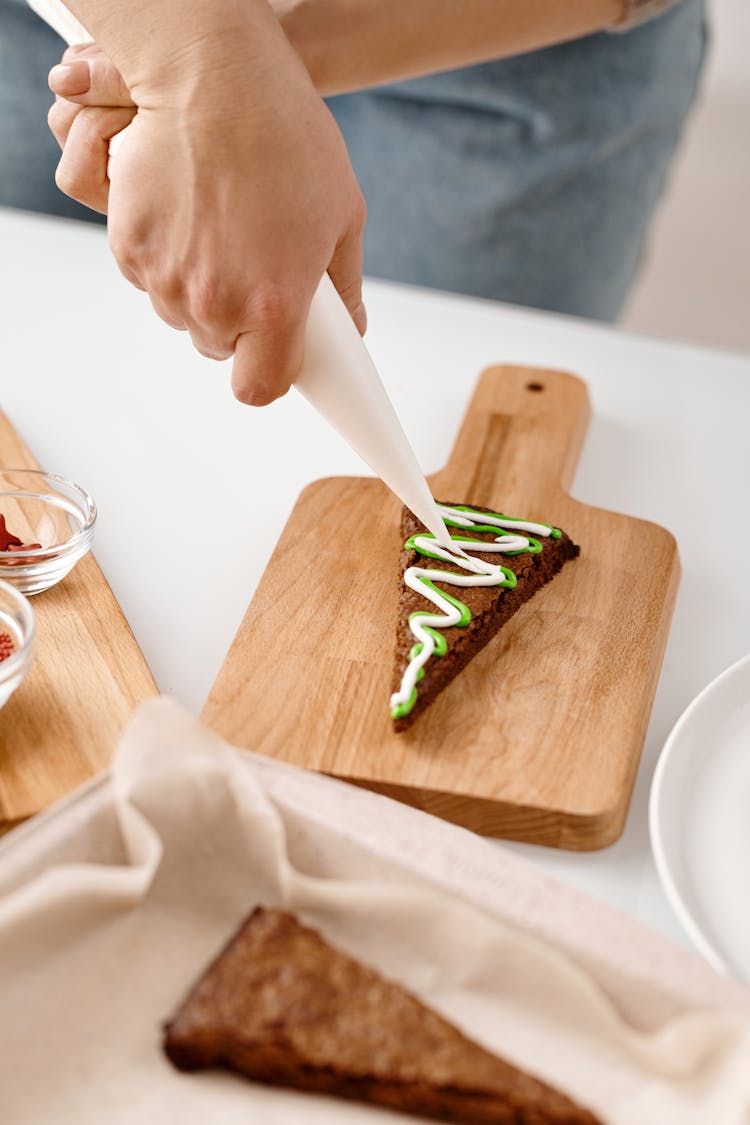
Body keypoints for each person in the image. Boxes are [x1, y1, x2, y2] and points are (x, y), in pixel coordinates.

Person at [2, 0, 706, 404]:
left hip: (508, 51)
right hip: (62, 24)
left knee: (458, 411)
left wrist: (237, 76)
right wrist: (203, 59)